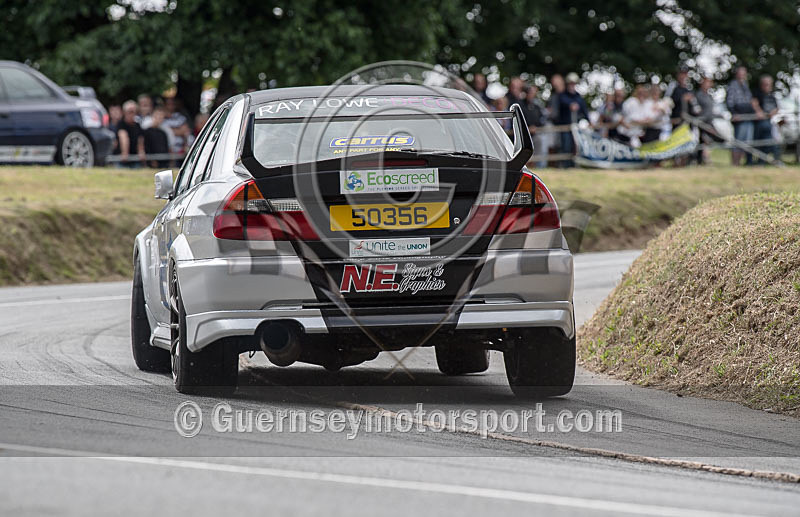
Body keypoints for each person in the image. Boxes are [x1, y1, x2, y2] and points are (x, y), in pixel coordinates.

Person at [555, 73, 589, 167]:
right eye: (570, 83)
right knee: (566, 146)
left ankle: (575, 165)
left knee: (576, 147)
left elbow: (584, 110)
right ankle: (566, 166)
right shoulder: (562, 95)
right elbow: (563, 102)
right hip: (566, 126)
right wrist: (571, 105)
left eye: (573, 83)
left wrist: (588, 121)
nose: (572, 86)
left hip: (576, 127)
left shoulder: (578, 97)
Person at [726, 66, 757, 165]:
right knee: (738, 142)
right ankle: (735, 163)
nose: (742, 75)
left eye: (743, 73)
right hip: (739, 117)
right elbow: (730, 102)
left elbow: (750, 101)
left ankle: (743, 162)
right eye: (740, 73)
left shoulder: (745, 85)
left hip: (748, 117)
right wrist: (734, 114)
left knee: (747, 142)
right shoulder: (733, 85)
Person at [753, 74, 780, 163]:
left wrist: (773, 113)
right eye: (765, 84)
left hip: (770, 122)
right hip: (759, 123)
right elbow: (754, 102)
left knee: (770, 142)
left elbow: (776, 108)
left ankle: (764, 161)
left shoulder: (772, 95)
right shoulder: (757, 93)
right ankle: (757, 161)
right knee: (761, 142)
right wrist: (760, 112)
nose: (767, 86)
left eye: (769, 84)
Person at [694, 77, 717, 164]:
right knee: (704, 140)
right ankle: (702, 159)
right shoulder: (698, 95)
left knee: (708, 140)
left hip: (709, 121)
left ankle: (703, 158)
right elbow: (696, 109)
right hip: (702, 122)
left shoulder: (709, 96)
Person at [115, 100, 145, 167]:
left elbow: (140, 139)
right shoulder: (121, 124)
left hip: (135, 158)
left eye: (134, 112)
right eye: (130, 112)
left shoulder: (137, 125)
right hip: (122, 159)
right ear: (124, 112)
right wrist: (125, 153)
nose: (132, 114)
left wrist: (141, 151)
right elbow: (124, 138)